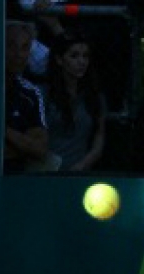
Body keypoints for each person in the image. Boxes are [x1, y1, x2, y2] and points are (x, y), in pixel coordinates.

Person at [42, 31, 107, 171]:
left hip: (80, 174)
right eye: (74, 56)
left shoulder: (95, 97)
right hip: (45, 173)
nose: (82, 61)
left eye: (85, 56)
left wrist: (82, 165)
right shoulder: (43, 94)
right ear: (59, 59)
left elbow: (99, 137)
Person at [4, 20, 50, 172]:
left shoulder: (30, 94)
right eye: (11, 46)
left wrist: (1, 130)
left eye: (24, 48)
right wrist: (21, 141)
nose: (18, 54)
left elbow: (39, 149)